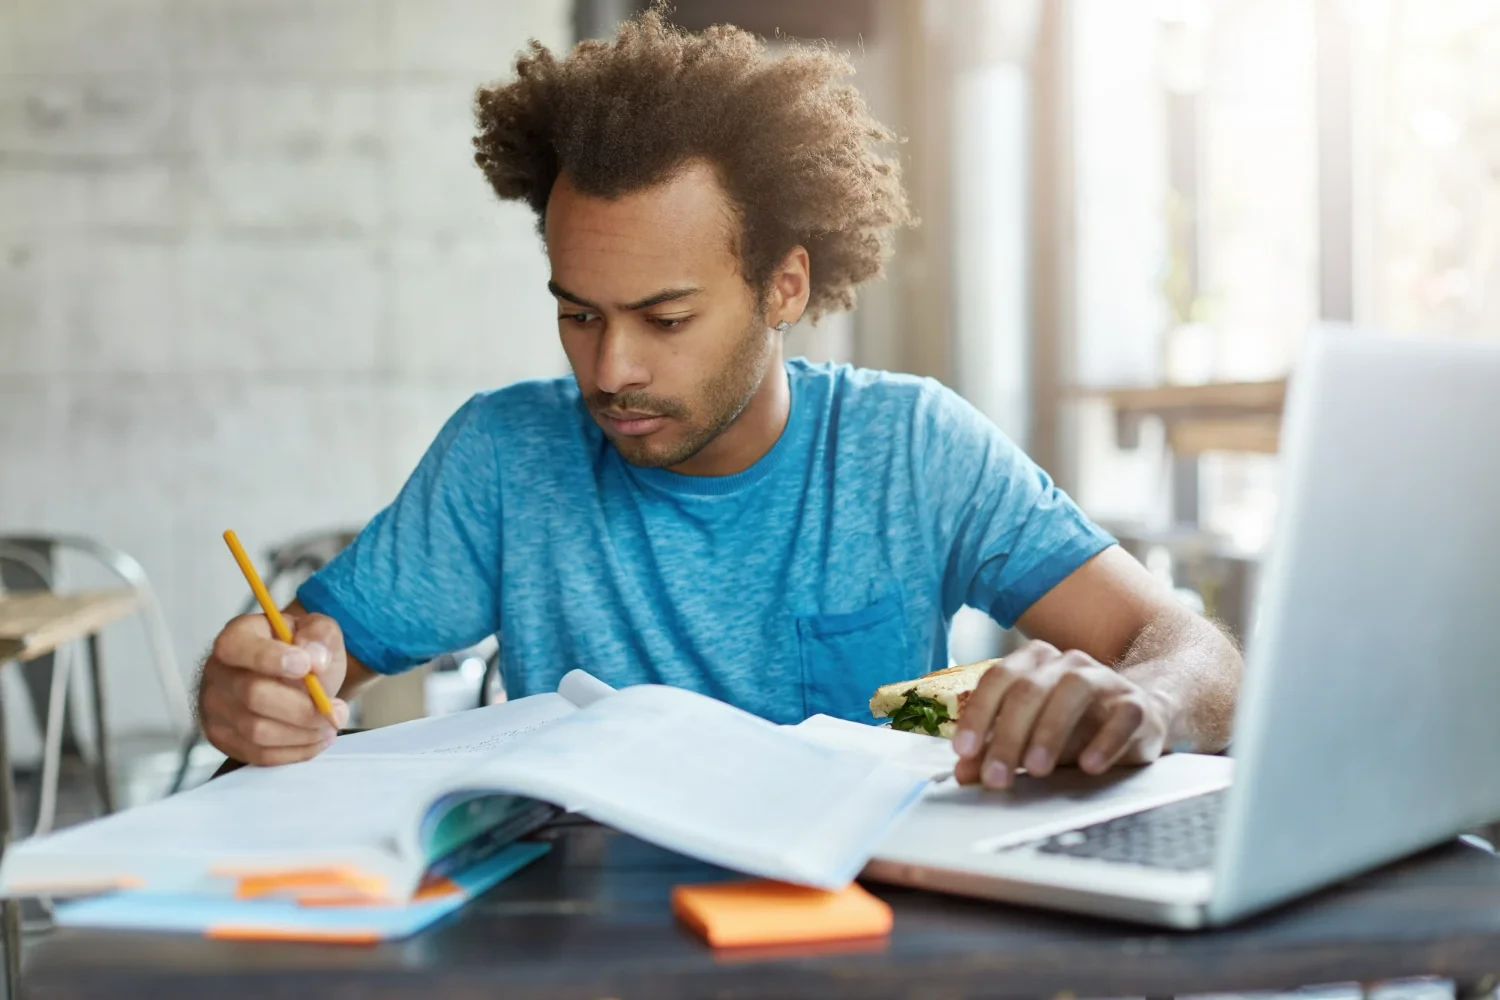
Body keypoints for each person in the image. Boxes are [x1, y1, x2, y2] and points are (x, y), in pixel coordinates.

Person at [197, 8, 1241, 790]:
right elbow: (313, 645)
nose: (609, 372)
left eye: (665, 318)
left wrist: (1141, 698)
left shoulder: (912, 448)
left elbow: (1197, 653)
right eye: (579, 314)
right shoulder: (505, 455)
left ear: (783, 287)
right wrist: (261, 684)